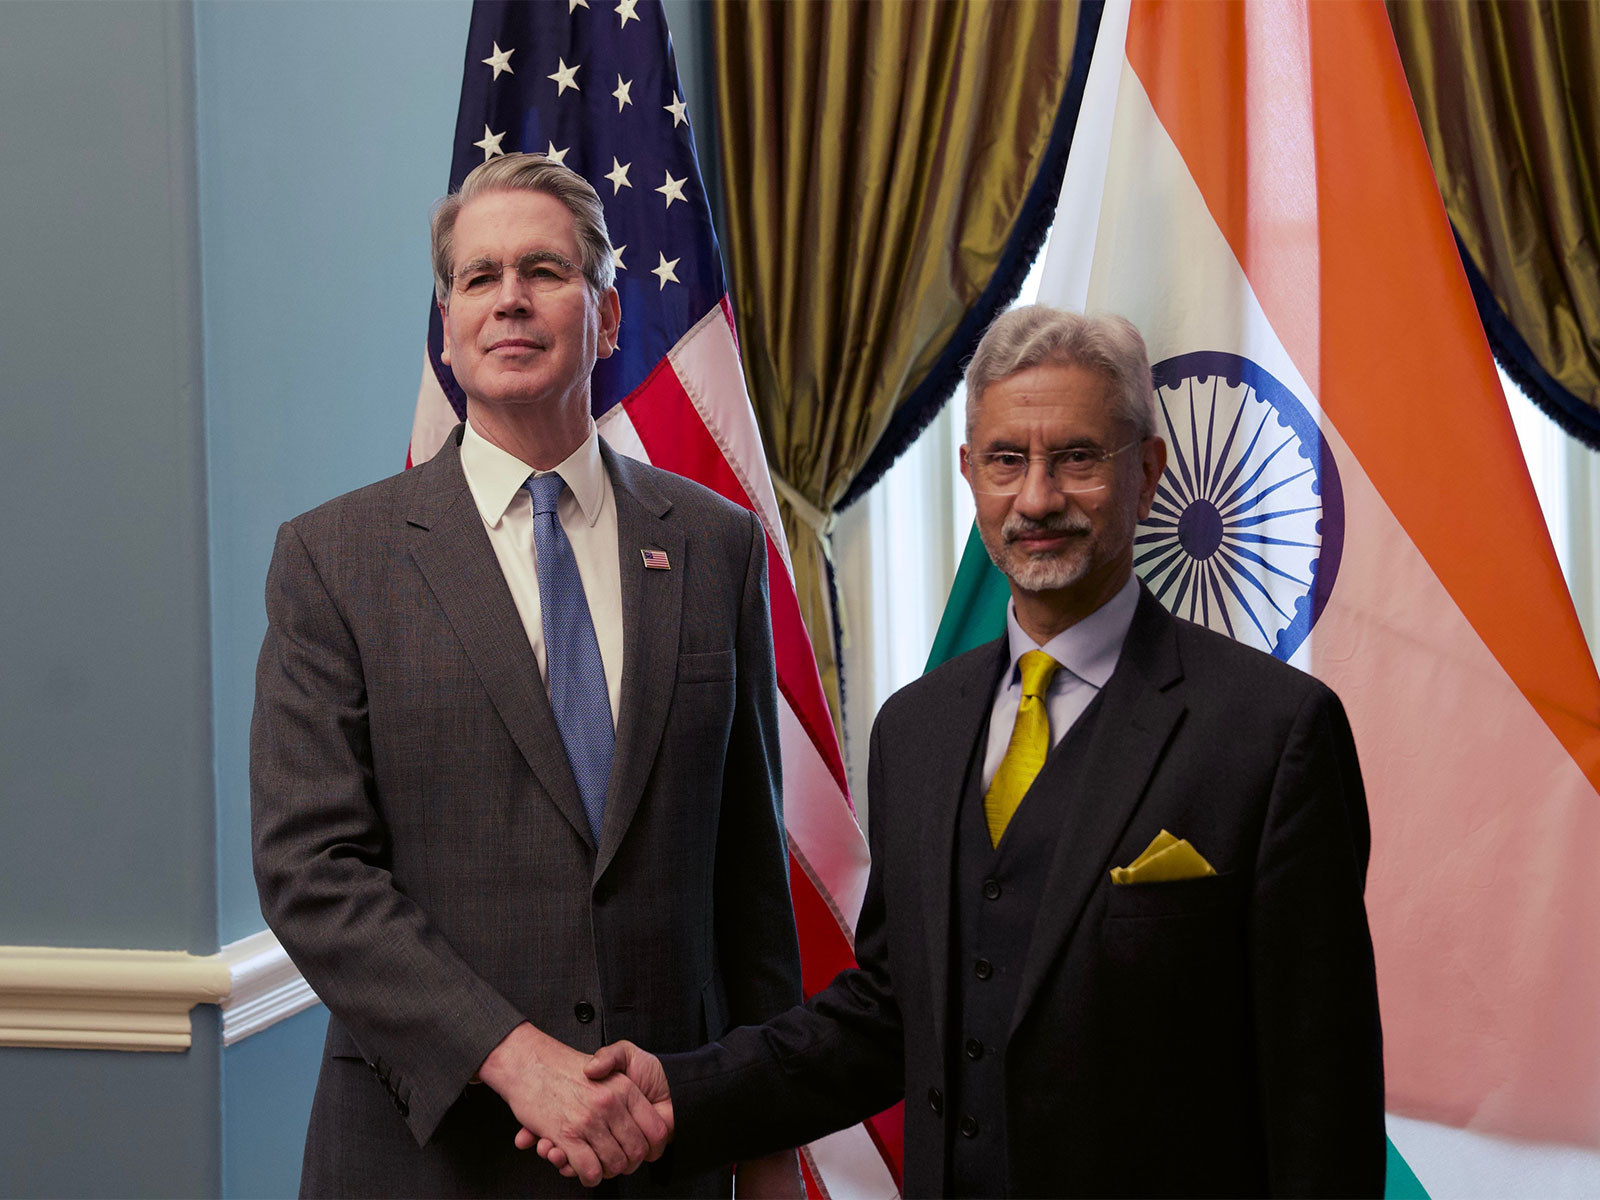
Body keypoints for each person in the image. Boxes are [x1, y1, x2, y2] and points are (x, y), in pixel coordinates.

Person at [566, 306, 1386, 1197]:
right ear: (970, 474)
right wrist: (684, 1092)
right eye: (1007, 460)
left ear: (1148, 472)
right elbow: (887, 1016)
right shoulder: (917, 730)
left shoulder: (1275, 734)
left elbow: (1323, 1105)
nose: (1036, 498)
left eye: (1076, 457)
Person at [250, 153, 803, 1198]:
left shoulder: (714, 544)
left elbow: (747, 881)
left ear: (602, 318)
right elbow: (310, 872)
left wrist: (770, 1150)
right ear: (448, 328)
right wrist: (521, 1062)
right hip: (427, 1157)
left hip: (665, 1150)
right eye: (477, 277)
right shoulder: (335, 559)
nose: (509, 298)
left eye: (545, 271)